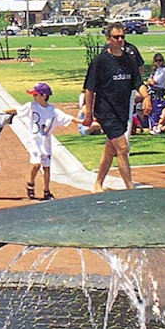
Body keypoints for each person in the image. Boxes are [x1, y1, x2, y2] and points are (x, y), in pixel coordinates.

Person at [82, 22, 149, 191]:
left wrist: (147, 97)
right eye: (116, 37)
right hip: (106, 111)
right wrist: (88, 113)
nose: (120, 40)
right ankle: (129, 188)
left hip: (122, 111)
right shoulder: (100, 61)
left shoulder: (129, 59)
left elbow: (137, 82)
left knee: (110, 149)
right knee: (123, 148)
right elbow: (89, 89)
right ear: (108, 38)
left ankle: (98, 183)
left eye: (122, 37)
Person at [22, 82, 75, 201]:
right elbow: (17, 110)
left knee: (46, 167)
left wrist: (85, 121)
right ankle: (30, 183)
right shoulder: (31, 106)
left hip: (46, 142)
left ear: (44, 96)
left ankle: (47, 190)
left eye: (36, 94)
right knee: (36, 164)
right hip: (35, 141)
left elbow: (67, 118)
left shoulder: (53, 111)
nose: (34, 97)